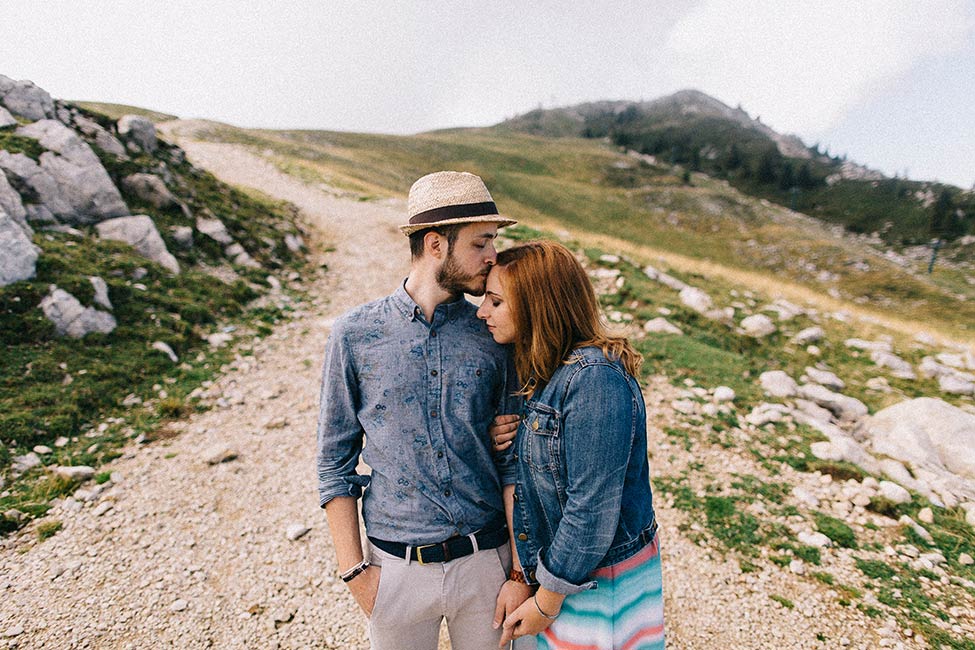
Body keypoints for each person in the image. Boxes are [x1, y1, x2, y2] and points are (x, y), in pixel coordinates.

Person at [316, 170, 533, 650]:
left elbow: (513, 464)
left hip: (487, 566)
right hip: (394, 571)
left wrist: (518, 570)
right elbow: (334, 462)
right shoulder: (354, 335)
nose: (493, 256)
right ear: (436, 244)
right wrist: (356, 573)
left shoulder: (495, 332)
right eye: (481, 243)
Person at [477, 241, 665, 650]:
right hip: (564, 575)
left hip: (599, 578)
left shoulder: (594, 379)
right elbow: (535, 483)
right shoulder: (542, 370)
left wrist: (546, 601)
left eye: (495, 302)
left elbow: (591, 509)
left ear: (535, 306)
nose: (482, 312)